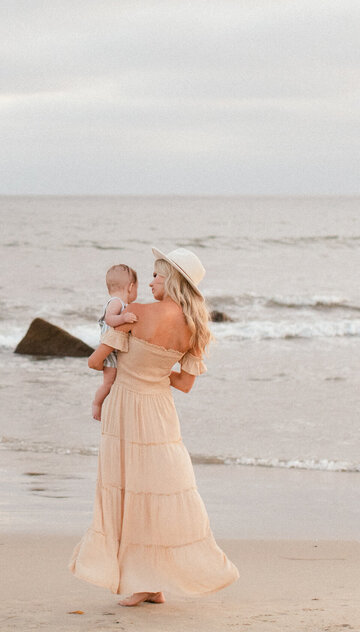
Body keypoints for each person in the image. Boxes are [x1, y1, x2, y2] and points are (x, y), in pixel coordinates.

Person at [69, 247, 239, 607]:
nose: (149, 282)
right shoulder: (195, 328)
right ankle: (153, 582)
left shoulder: (136, 313)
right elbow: (184, 384)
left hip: (127, 408)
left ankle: (145, 582)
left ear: (172, 279)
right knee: (158, 491)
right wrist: (157, 369)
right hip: (161, 410)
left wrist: (120, 362)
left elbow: (96, 361)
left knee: (131, 492)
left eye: (157, 276)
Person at [92, 264, 139, 421]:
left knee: (113, 381)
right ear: (131, 287)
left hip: (114, 348)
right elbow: (109, 318)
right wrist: (123, 318)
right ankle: (97, 406)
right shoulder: (116, 302)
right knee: (108, 382)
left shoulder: (119, 302)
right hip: (110, 350)